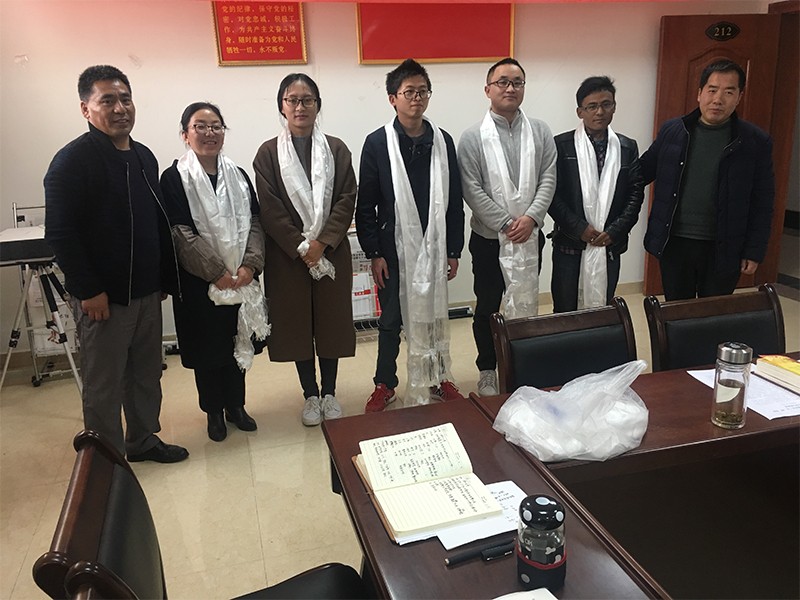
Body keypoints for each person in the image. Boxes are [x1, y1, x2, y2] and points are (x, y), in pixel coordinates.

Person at [44, 65, 188, 462]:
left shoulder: (144, 156)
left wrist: (162, 279)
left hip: (146, 292)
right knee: (104, 382)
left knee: (146, 374)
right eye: (107, 100)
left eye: (125, 99)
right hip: (103, 299)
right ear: (86, 109)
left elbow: (154, 221)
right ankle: (105, 460)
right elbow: (60, 233)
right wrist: (89, 290)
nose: (120, 108)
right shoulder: (72, 161)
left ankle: (142, 440)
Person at [356, 58, 466, 411]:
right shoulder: (377, 143)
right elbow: (366, 203)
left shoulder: (442, 141)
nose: (416, 98)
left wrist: (454, 250)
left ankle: (438, 377)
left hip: (435, 245)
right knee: (390, 320)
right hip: (393, 248)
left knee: (434, 314)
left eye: (423, 91)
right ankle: (385, 383)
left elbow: (454, 201)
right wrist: (374, 253)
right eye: (409, 92)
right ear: (393, 99)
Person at [160, 102, 268, 442]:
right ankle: (213, 413)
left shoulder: (239, 176)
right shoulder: (174, 178)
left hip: (241, 278)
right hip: (199, 283)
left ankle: (236, 406)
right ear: (185, 134)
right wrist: (216, 272)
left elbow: (255, 222)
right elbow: (179, 232)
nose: (210, 133)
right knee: (208, 349)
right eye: (200, 126)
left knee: (237, 341)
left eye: (216, 126)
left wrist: (250, 265)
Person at [253, 74, 356, 427]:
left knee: (331, 322)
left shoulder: (337, 150)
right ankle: (310, 394)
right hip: (288, 257)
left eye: (307, 99)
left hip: (331, 252)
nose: (300, 106)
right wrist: (302, 247)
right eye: (292, 100)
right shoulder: (268, 153)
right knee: (296, 325)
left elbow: (346, 198)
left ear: (317, 105)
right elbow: (269, 208)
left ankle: (330, 392)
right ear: (282, 106)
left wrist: (321, 243)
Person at [458, 57, 556, 397]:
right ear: (488, 90)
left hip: (530, 235)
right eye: (502, 82)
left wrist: (531, 218)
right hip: (488, 239)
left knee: (526, 300)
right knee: (488, 306)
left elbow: (548, 177)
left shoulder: (540, 132)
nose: (510, 88)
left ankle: (523, 361)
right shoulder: (472, 137)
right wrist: (504, 222)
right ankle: (488, 368)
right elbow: (471, 188)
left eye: (517, 82)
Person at [641, 59, 775, 301]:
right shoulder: (673, 131)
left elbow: (763, 201)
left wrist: (754, 250)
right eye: (712, 90)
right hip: (675, 242)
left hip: (724, 247)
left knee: (713, 314)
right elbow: (640, 173)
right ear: (699, 93)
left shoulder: (755, 141)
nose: (718, 99)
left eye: (728, 92)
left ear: (739, 97)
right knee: (676, 311)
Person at [548, 76, 644, 312]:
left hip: (608, 245)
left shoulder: (627, 147)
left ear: (614, 107)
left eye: (606, 104)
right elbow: (551, 194)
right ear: (580, 111)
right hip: (570, 243)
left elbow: (635, 194)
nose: (599, 112)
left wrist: (614, 231)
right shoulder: (561, 145)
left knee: (602, 311)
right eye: (592, 106)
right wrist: (579, 228)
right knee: (564, 311)